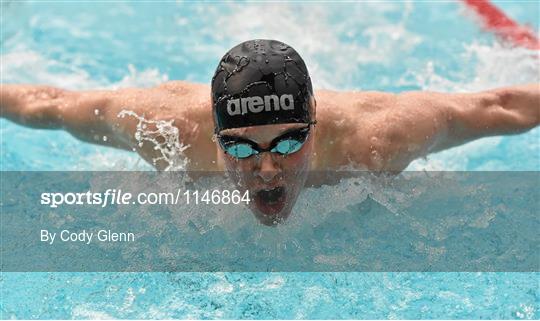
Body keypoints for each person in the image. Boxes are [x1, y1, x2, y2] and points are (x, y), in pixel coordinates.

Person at [2, 39, 539, 225]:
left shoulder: (374, 142)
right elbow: (51, 105)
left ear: (317, 125)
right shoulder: (165, 131)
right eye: (239, 146)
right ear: (212, 136)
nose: (266, 170)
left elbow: (498, 106)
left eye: (287, 142)